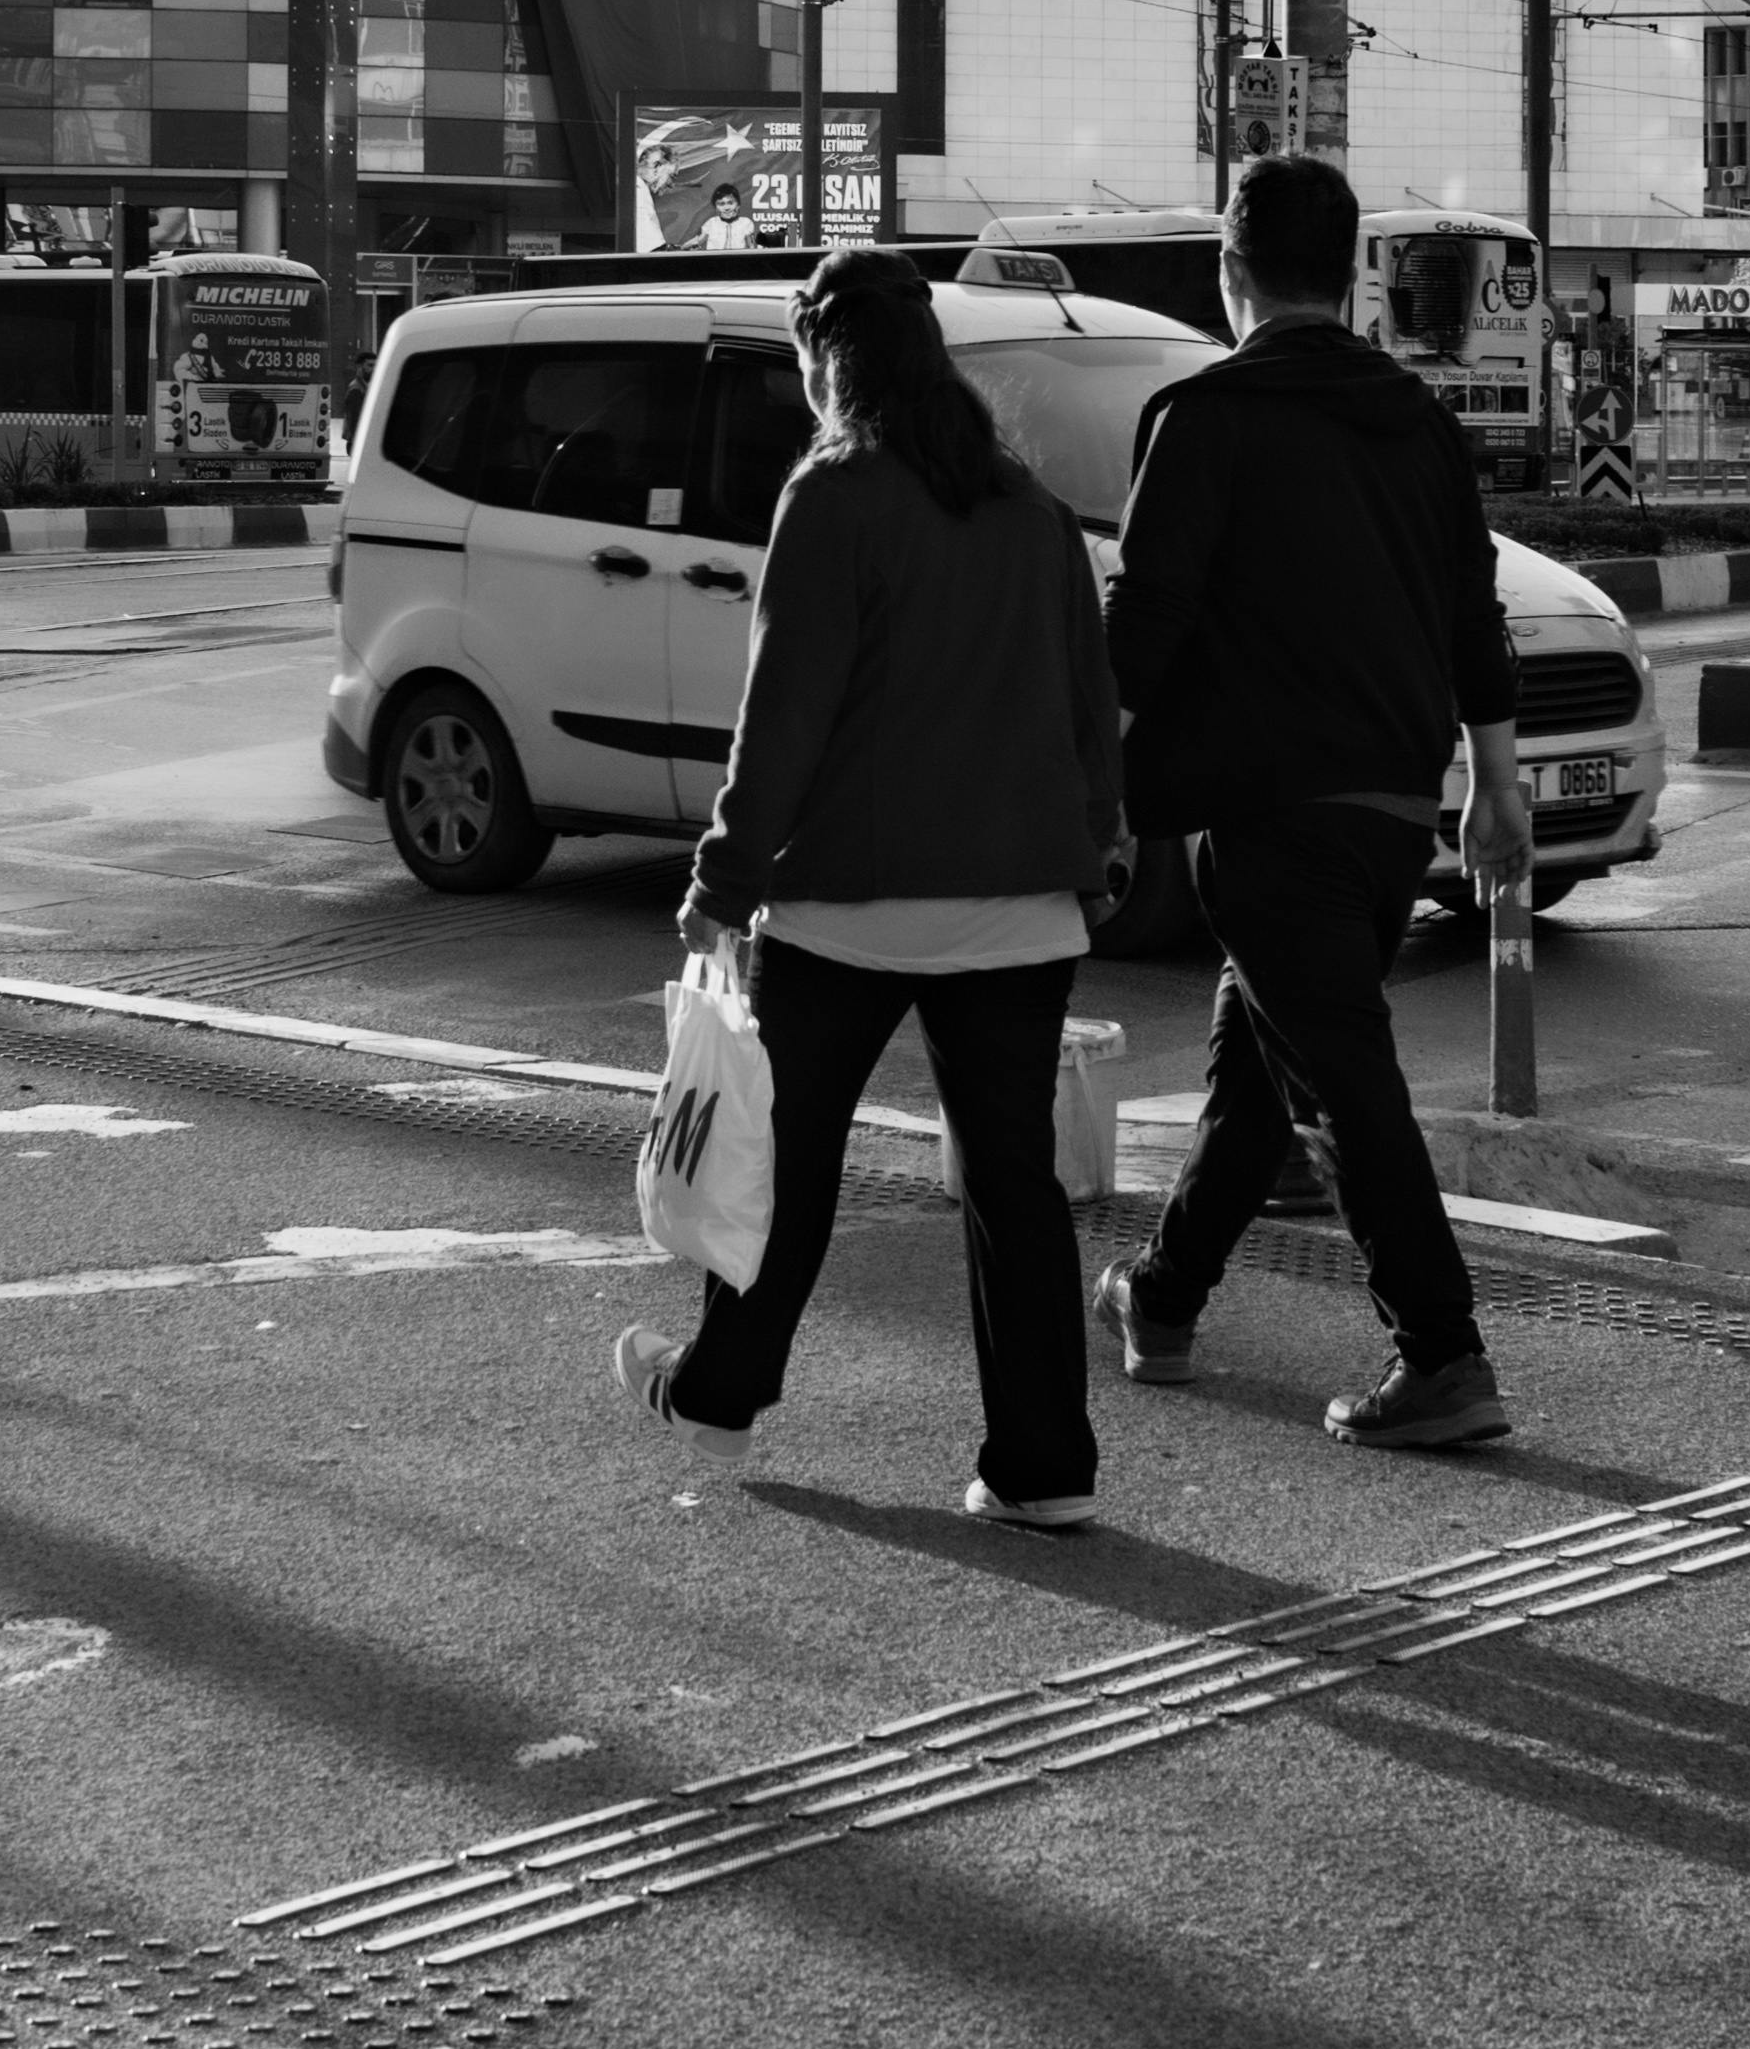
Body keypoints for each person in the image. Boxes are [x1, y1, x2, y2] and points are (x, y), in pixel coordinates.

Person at [616, 248, 1125, 1528]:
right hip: (1018, 908)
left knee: (789, 1164)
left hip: (844, 904)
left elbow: (781, 715)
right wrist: (1097, 851)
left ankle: (722, 1391)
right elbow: (1087, 712)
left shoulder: (833, 492)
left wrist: (722, 880)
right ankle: (1043, 1465)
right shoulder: (1032, 510)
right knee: (1014, 1187)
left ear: (822, 361)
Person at [1097, 149, 1532, 1451]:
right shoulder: (1416, 421)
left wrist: (1092, 792)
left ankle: (1442, 1352)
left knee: (1342, 1074)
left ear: (1230, 273)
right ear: (1351, 277)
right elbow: (1472, 610)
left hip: (1266, 808)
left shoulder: (1206, 416)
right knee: (1261, 1058)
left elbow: (1147, 624)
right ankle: (1162, 1297)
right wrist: (1494, 785)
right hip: (1391, 810)